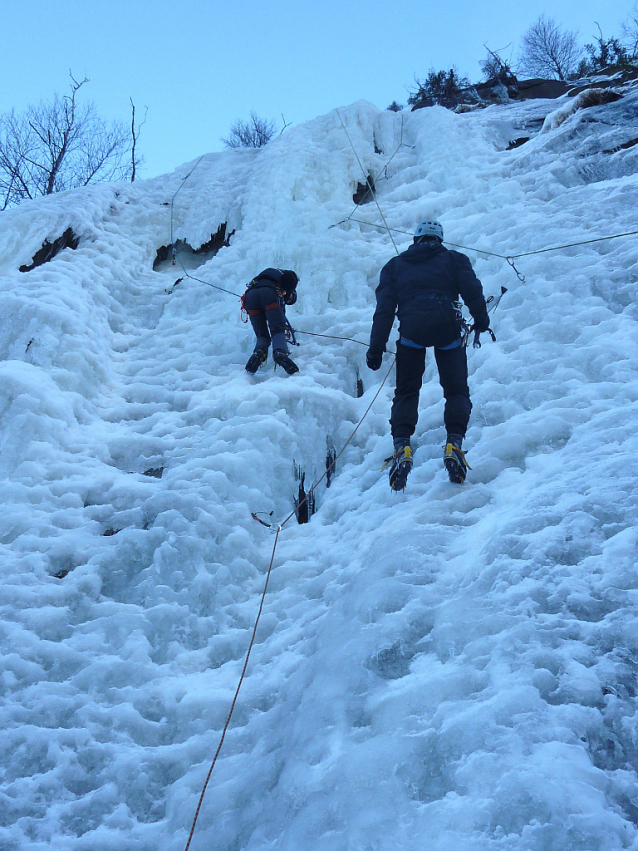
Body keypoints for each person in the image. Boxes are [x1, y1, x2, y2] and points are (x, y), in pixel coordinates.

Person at [366, 220, 490, 490]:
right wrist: (482, 320)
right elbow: (472, 290)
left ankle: (402, 448)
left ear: (416, 240)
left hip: (412, 333)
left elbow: (384, 311)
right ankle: (453, 444)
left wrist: (375, 349)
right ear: (439, 240)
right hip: (448, 329)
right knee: (456, 391)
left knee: (407, 392)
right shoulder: (455, 259)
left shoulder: (395, 265)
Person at [243, 268, 300, 375]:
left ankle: (259, 353)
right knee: (278, 330)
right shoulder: (288, 276)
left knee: (262, 335)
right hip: (268, 293)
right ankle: (280, 353)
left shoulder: (269, 274)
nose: (287, 301)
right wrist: (287, 296)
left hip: (250, 296)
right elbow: (291, 278)